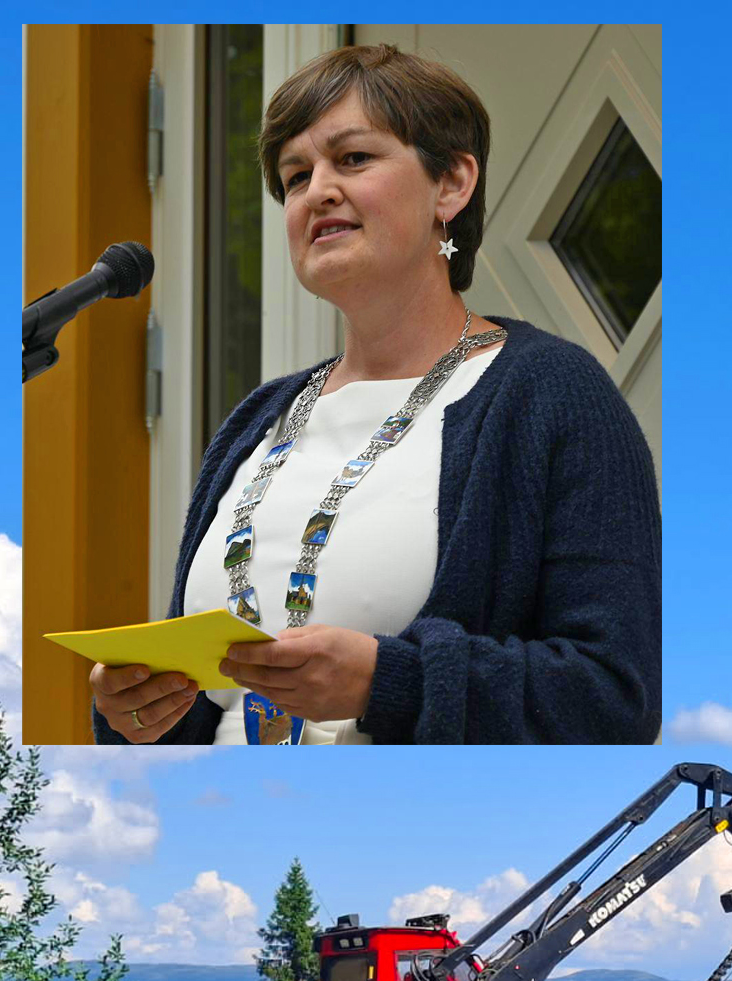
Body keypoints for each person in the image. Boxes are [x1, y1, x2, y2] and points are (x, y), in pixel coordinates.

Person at [91, 43, 659, 745]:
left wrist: (387, 682)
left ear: (451, 183)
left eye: (353, 158)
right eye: (296, 176)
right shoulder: (257, 420)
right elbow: (207, 713)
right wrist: (135, 713)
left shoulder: (553, 395)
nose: (317, 191)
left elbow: (615, 698)